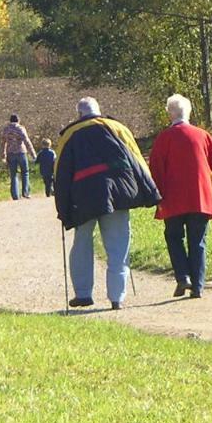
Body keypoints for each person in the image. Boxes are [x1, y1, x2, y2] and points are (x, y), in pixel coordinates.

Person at [54, 97, 159, 310]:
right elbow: (137, 160)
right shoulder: (117, 128)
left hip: (83, 197)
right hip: (119, 195)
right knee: (118, 245)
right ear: (99, 111)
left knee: (82, 242)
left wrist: (63, 209)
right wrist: (152, 192)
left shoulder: (69, 136)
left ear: (79, 115)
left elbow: (61, 175)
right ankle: (116, 297)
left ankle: (83, 294)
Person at [148, 93, 212, 299]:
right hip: (200, 197)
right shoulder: (203, 135)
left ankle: (183, 277)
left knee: (174, 237)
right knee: (198, 241)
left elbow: (155, 169)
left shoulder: (164, 138)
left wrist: (154, 195)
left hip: (172, 198)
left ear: (169, 114)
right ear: (189, 112)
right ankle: (198, 286)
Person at [0, 113, 36, 200]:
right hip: (21, 152)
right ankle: (26, 192)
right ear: (18, 120)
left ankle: (15, 195)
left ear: (10, 120)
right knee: (25, 172)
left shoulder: (6, 129)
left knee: (13, 174)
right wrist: (33, 154)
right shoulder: (20, 128)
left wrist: (3, 155)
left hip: (10, 152)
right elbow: (27, 141)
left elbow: (3, 142)